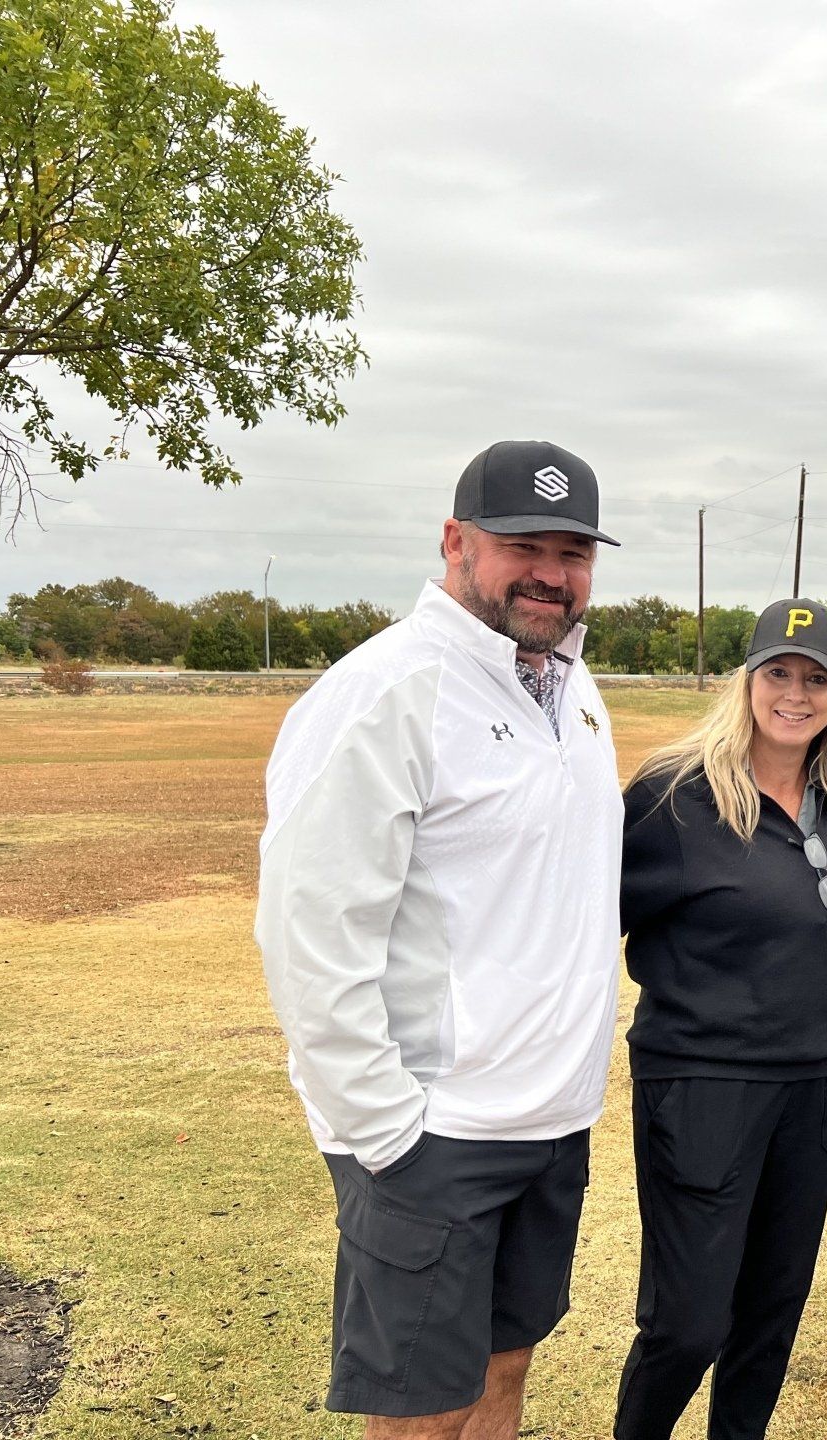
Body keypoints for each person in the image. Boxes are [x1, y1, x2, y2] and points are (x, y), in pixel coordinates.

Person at [256, 440, 625, 1440]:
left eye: (574, 550)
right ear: (456, 540)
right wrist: (383, 1128)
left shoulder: (572, 691)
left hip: (547, 1121)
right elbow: (311, 928)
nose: (551, 571)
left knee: (505, 1372)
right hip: (433, 1131)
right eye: (522, 544)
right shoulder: (386, 691)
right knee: (424, 1407)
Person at [610, 598, 827, 1440]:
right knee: (690, 1322)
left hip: (817, 1082)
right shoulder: (673, 797)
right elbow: (581, 926)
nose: (795, 694)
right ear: (748, 681)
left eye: (817, 679)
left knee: (770, 1313)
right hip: (702, 1084)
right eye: (778, 674)